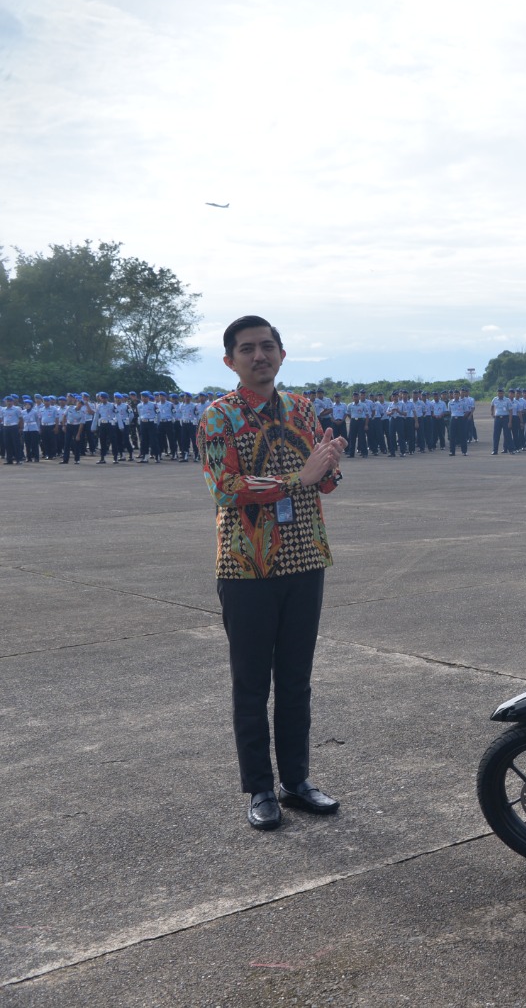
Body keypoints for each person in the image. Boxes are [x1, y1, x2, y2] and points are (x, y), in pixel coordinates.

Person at [200, 315, 347, 831]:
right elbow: (225, 486)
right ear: (230, 361)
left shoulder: (303, 409)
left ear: (282, 354)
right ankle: (260, 787)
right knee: (250, 683)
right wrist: (297, 477)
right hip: (247, 565)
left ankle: (297, 780)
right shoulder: (218, 418)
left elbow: (323, 485)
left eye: (267, 346)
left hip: (305, 558)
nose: (258, 355)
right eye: (247, 349)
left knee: (295, 679)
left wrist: (328, 465)